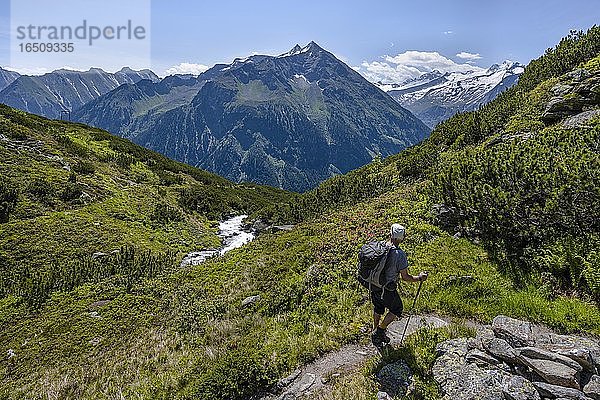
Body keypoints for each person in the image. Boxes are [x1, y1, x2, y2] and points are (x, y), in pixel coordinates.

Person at [367, 223, 428, 346]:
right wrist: (420, 278)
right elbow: (405, 277)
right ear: (402, 238)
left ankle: (374, 329)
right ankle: (379, 331)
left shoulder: (380, 245)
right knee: (396, 309)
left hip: (373, 284)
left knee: (378, 307)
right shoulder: (400, 255)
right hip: (387, 288)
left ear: (391, 234)